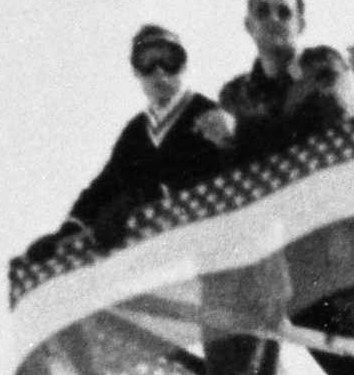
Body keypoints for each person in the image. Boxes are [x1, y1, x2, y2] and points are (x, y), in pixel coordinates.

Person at [201, 0, 354, 375]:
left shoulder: (322, 64)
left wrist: (244, 135)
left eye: (284, 12)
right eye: (263, 12)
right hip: (280, 244)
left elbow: (323, 123)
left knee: (322, 310)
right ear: (248, 24)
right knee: (252, 323)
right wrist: (242, 141)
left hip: (346, 224)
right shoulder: (235, 93)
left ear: (301, 22)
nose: (274, 21)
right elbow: (232, 171)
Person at [27, 22, 239, 275]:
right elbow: (104, 186)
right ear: (136, 72)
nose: (159, 72)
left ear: (184, 64)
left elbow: (232, 171)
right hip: (167, 265)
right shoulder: (136, 133)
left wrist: (142, 198)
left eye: (169, 60)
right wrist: (68, 232)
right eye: (147, 62)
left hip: (214, 250)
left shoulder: (207, 114)